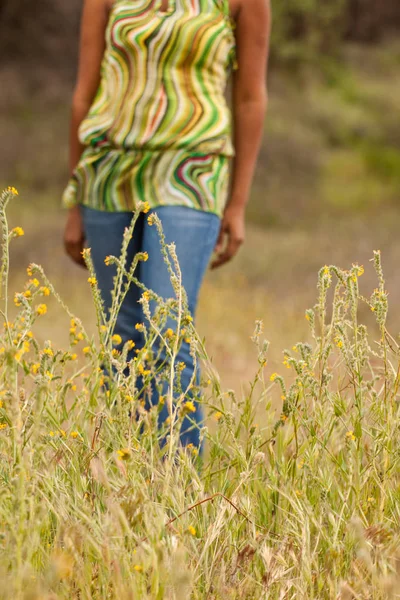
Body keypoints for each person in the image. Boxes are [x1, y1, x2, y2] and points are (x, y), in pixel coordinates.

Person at [63, 0, 270, 452]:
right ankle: (124, 479)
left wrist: (237, 203)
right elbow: (84, 92)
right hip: (109, 167)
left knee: (166, 328)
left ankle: (178, 490)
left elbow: (251, 97)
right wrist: (75, 200)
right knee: (121, 335)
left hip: (193, 169)